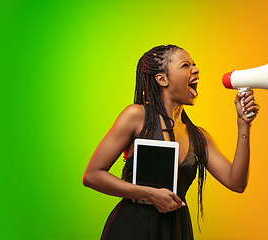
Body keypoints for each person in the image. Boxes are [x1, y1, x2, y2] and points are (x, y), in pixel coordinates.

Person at [83, 44, 259, 240]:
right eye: (185, 65)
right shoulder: (136, 116)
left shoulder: (199, 137)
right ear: (162, 79)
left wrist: (244, 125)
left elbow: (237, 182)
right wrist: (149, 194)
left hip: (176, 230)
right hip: (134, 228)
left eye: (194, 64)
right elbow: (92, 175)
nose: (196, 69)